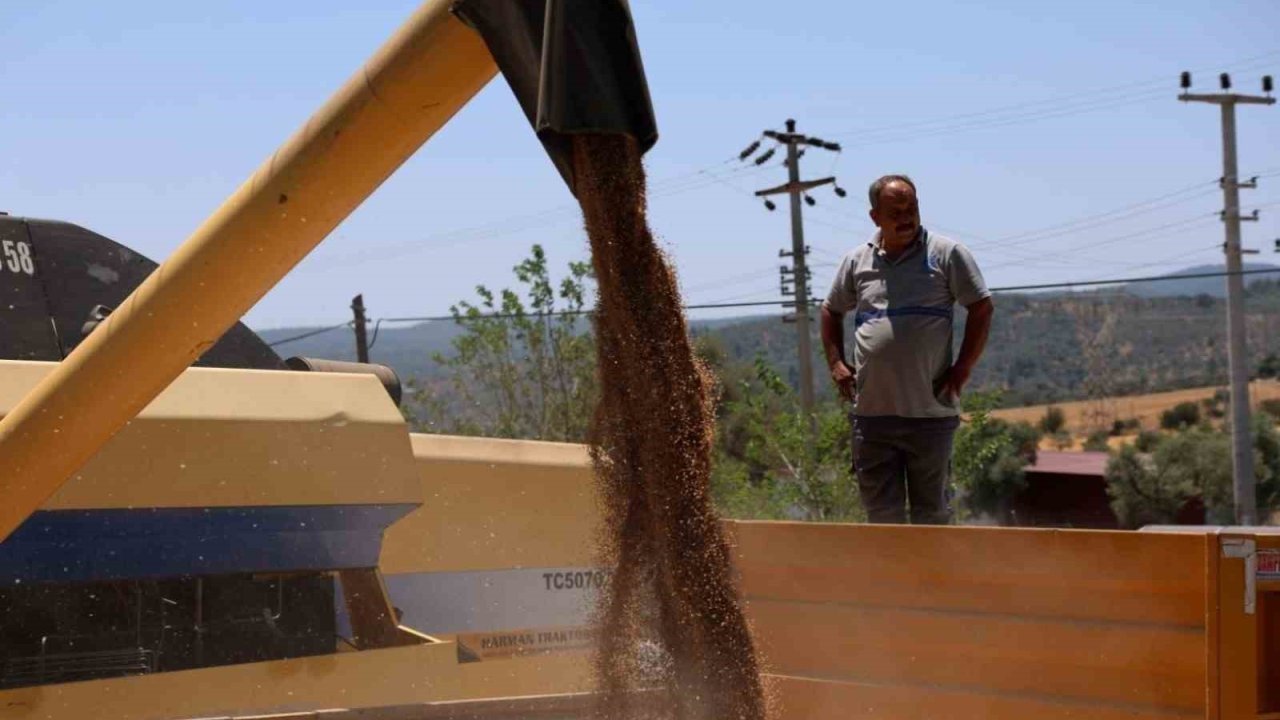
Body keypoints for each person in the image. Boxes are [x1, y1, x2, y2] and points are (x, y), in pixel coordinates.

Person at [820, 175, 994, 524]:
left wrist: (963, 368)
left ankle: (932, 580)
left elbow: (981, 306)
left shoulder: (946, 254)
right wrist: (836, 363)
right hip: (872, 418)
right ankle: (888, 580)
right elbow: (830, 310)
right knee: (882, 517)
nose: (907, 217)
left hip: (929, 416)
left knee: (932, 516)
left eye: (912, 208)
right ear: (875, 218)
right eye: (895, 211)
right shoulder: (857, 262)